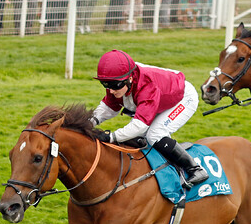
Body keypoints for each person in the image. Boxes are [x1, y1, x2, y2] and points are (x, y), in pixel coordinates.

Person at [90, 50, 210, 187]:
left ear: (129, 79)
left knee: (155, 134)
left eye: (114, 86)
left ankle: (195, 169)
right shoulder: (117, 81)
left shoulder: (146, 85)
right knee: (139, 137)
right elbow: (109, 107)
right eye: (106, 85)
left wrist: (111, 137)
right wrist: (89, 122)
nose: (110, 90)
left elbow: (140, 124)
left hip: (183, 98)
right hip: (159, 96)